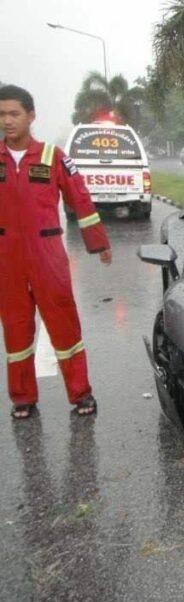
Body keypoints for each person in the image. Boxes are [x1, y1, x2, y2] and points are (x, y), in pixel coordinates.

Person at [0, 84, 112, 419]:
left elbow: (81, 199)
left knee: (64, 325)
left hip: (48, 254)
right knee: (16, 329)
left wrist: (99, 242)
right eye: (2, 114)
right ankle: (22, 397)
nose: (7, 120)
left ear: (30, 116)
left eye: (14, 113)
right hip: (7, 257)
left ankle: (81, 394)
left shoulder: (53, 157)